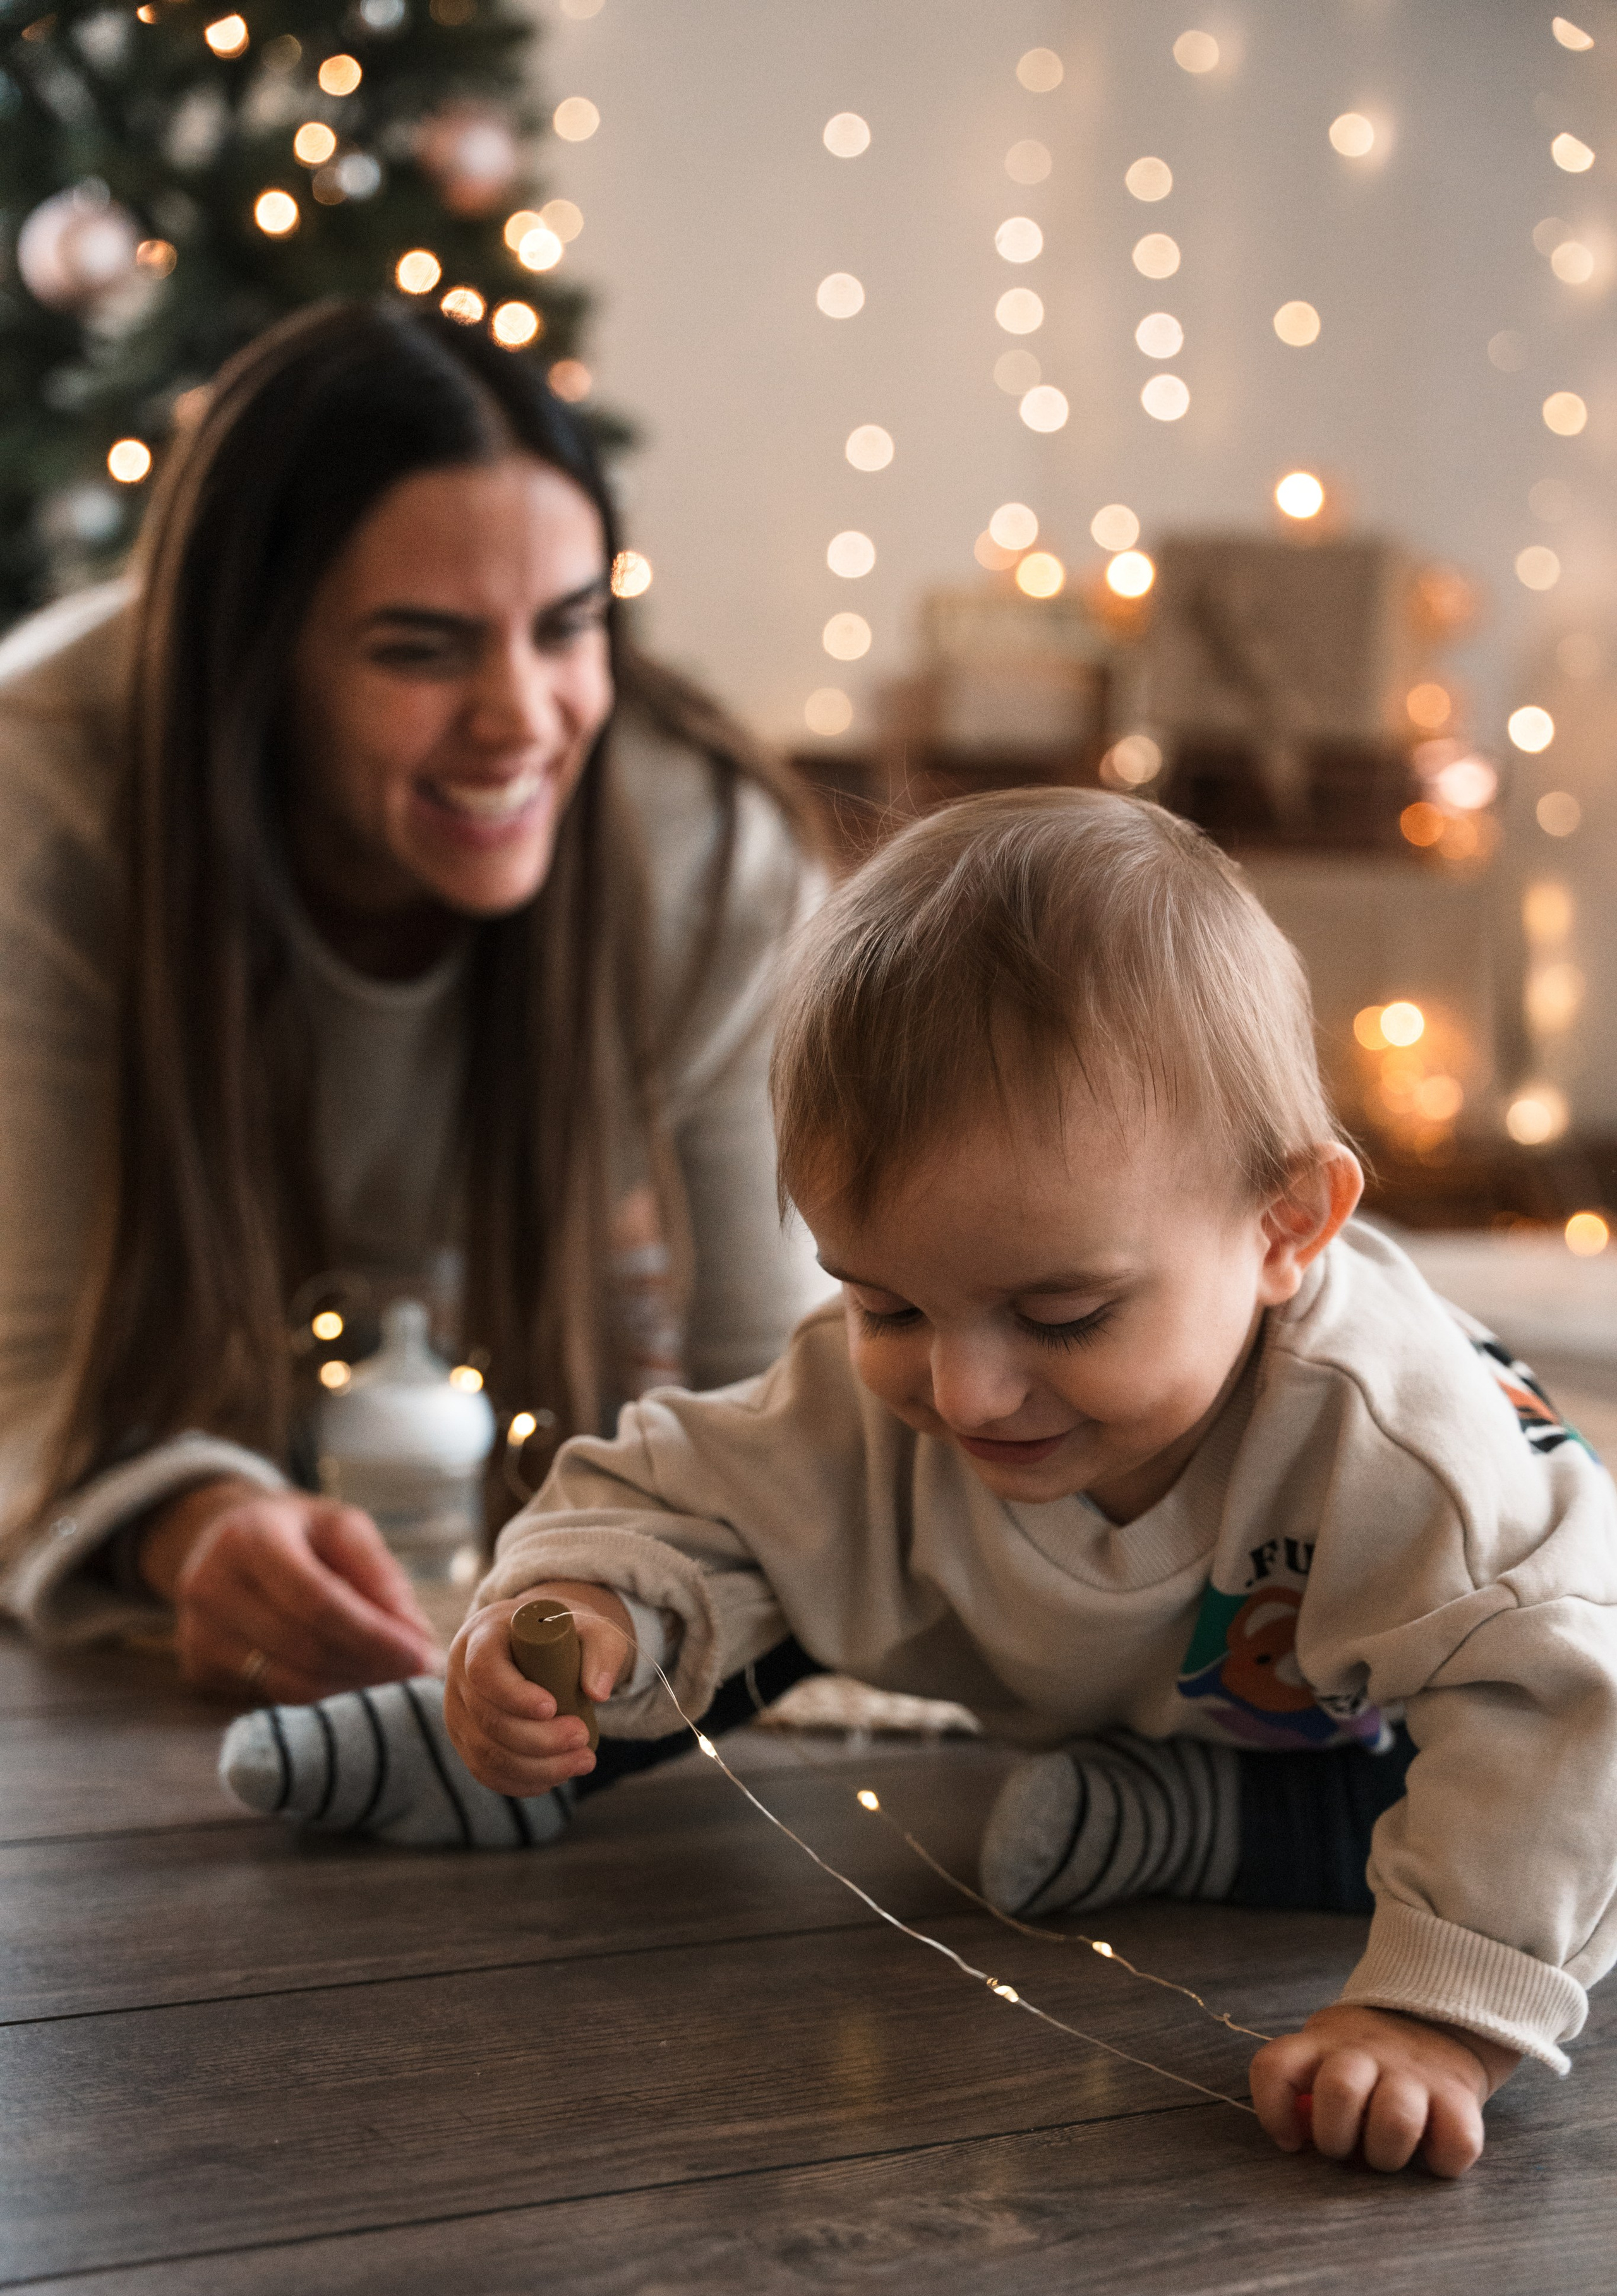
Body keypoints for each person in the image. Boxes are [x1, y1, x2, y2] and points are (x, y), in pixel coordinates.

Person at [400, 788, 1617, 2178]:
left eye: (1060, 1316)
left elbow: (1559, 1710)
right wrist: (573, 1612)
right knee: (752, 1560)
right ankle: (465, 1733)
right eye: (886, 1306)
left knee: (1458, 1787)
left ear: (1284, 1227)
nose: (963, 1394)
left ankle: (1193, 1820)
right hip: (1183, 1692)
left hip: (1398, 1738)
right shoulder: (906, 1383)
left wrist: (1431, 2024)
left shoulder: (1401, 1455)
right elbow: (677, 1486)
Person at [0, 298, 830, 1704]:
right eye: (421, 649)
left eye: (568, 627)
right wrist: (183, 1523)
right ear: (253, 669)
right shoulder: (40, 809)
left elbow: (793, 1409)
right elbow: (17, 1369)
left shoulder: (703, 851)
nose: (522, 718)